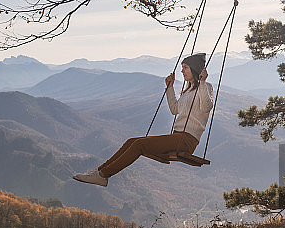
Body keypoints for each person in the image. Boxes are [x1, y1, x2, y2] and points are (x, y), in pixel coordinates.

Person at [73, 52, 215, 187]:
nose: (182, 71)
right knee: (131, 141)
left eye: (185, 68)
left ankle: (103, 175)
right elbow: (174, 109)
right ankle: (99, 172)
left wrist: (202, 82)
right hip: (177, 137)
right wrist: (170, 88)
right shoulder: (188, 90)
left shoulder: (206, 87)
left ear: (194, 69)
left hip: (186, 140)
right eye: (182, 67)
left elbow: (207, 106)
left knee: (139, 145)